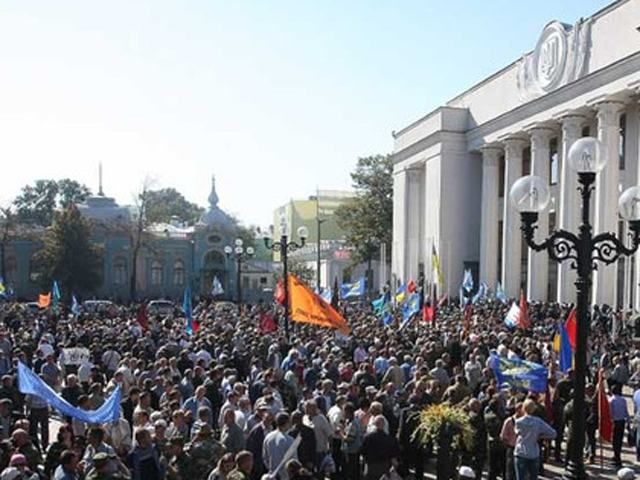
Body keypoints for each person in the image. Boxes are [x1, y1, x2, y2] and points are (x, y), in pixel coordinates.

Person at [513, 399, 557, 480]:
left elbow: (517, 433)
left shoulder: (518, 422)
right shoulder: (538, 421)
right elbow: (553, 433)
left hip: (521, 451)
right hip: (534, 452)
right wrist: (541, 436)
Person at [361, 415, 400, 480]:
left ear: (374, 424)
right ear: (384, 425)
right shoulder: (390, 439)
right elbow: (394, 459)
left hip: (371, 467)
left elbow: (362, 452)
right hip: (385, 467)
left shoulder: (367, 437)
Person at [263, 413, 296, 480]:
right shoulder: (289, 440)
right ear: (287, 423)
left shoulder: (268, 437)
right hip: (286, 476)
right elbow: (294, 461)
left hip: (272, 475)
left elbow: (265, 457)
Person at [610, 383, 629, 468]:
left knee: (614, 440)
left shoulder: (611, 400)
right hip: (622, 421)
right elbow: (626, 411)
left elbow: (610, 413)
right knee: (619, 439)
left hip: (615, 422)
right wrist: (628, 422)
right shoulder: (623, 400)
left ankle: (616, 457)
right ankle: (617, 455)